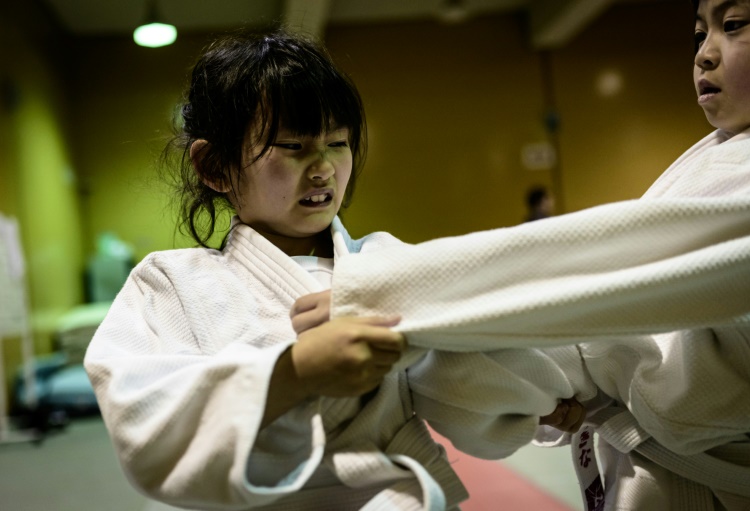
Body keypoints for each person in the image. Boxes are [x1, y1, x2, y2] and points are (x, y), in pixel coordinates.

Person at [84, 30, 584, 511]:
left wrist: (530, 392)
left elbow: (463, 378)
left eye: (338, 143)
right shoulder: (170, 284)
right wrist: (294, 372)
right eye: (293, 146)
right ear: (216, 166)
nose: (323, 167)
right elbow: (144, 418)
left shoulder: (386, 263)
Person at [298, 0, 750, 508]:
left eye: (734, 24)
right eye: (698, 34)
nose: (703, 55)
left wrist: (403, 293)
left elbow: (629, 278)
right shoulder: (725, 149)